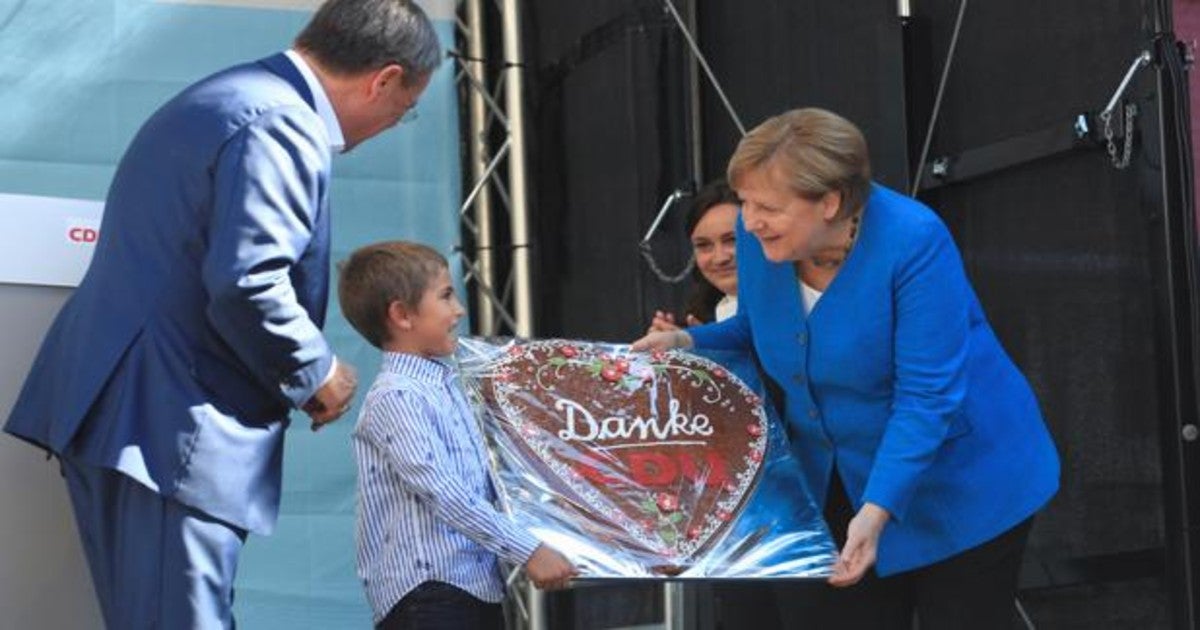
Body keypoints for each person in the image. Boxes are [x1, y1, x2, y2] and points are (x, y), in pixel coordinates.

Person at [3, 1, 440, 627]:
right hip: (171, 425)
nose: (392, 123)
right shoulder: (283, 123)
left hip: (129, 412)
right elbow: (248, 280)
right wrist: (316, 372)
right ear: (385, 79)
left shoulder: (227, 96)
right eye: (404, 110)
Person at [633, 107, 1059, 629]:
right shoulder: (759, 236)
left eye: (766, 206)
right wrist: (684, 340)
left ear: (830, 203)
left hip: (958, 481)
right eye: (745, 202)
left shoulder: (914, 240)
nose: (748, 221)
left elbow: (926, 398)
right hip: (838, 478)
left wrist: (878, 511)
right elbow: (758, 327)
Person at [338, 241, 576, 629]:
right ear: (401, 315)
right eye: (446, 296)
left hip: (473, 588)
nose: (459, 310)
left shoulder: (448, 383)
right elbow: (444, 493)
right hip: (428, 595)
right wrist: (529, 549)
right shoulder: (398, 396)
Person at [648, 180, 742, 332]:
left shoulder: (790, 305)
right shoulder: (701, 315)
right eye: (703, 245)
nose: (720, 258)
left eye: (732, 240)